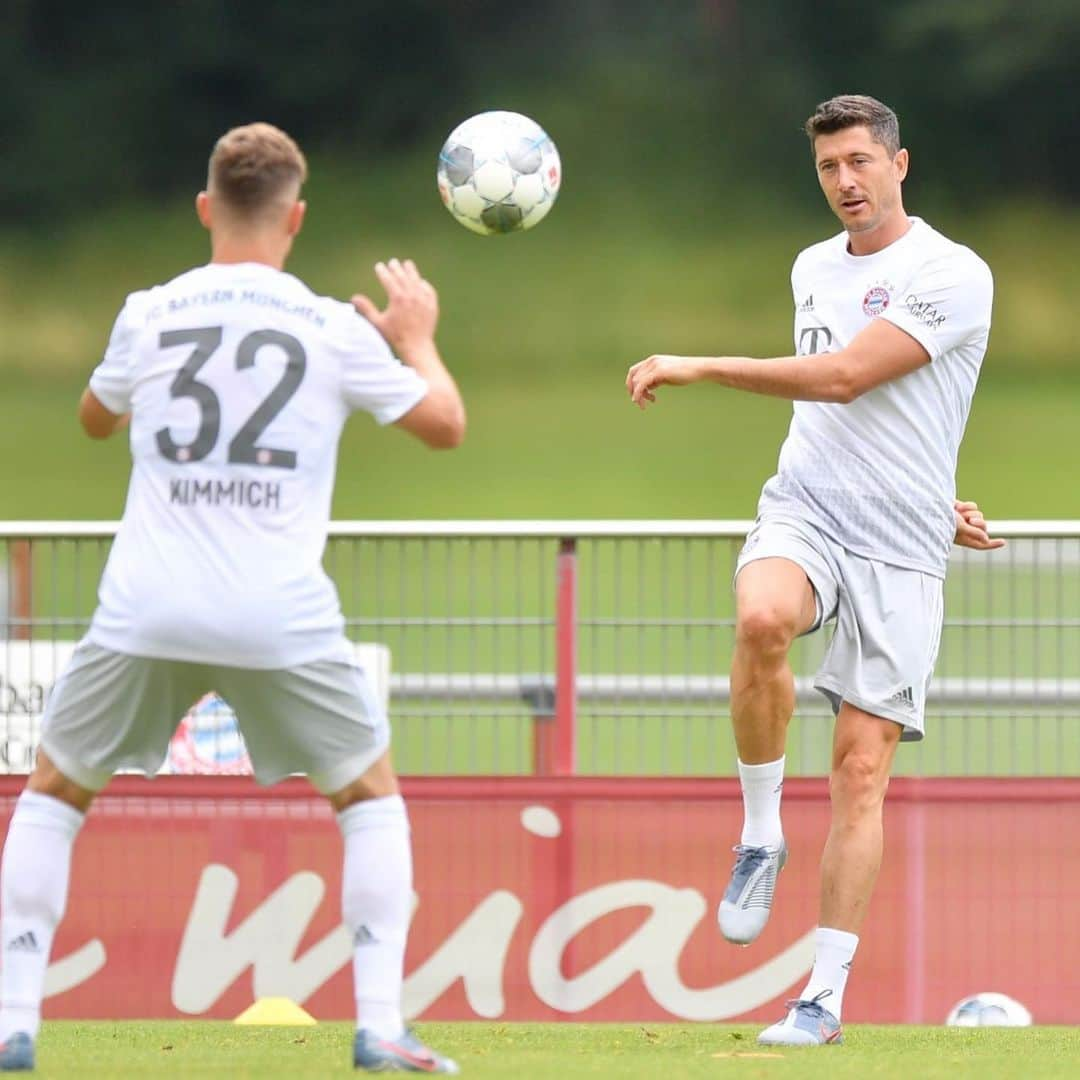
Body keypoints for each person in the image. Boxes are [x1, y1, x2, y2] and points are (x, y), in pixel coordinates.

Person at [0, 123, 464, 1074]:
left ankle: (13, 1020)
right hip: (278, 615)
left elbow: (95, 419)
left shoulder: (148, 310)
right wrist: (416, 340)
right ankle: (378, 1027)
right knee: (368, 798)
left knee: (54, 794)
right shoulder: (335, 327)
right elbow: (444, 427)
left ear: (206, 208)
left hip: (147, 609)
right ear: (295, 218)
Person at [626, 94, 1004, 1046]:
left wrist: (699, 365)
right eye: (829, 166)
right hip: (807, 508)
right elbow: (844, 413)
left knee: (860, 771)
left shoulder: (953, 273)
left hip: (903, 547)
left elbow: (847, 378)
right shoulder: (811, 267)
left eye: (860, 163)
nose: (845, 182)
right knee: (760, 620)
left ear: (900, 164)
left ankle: (820, 1000)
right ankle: (760, 833)